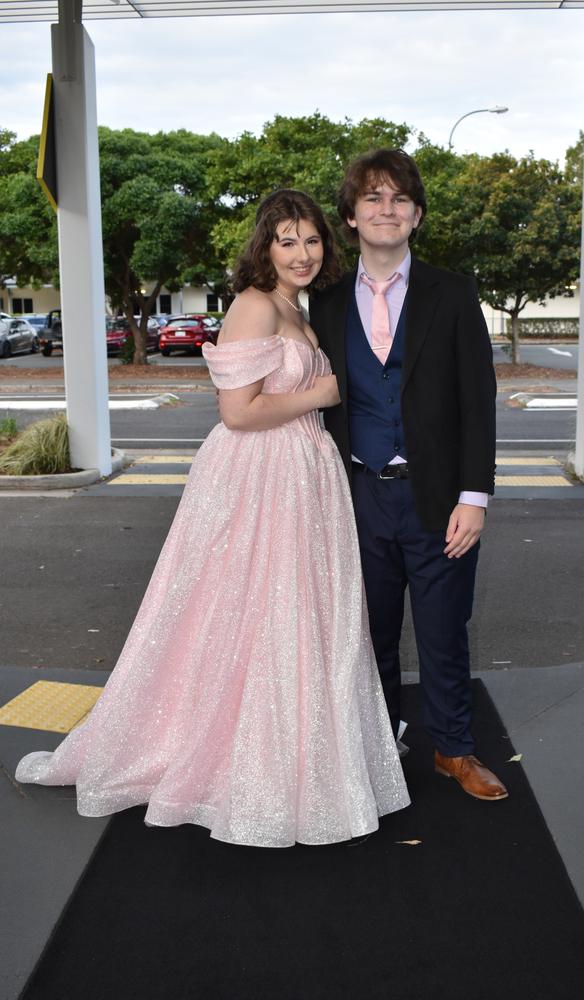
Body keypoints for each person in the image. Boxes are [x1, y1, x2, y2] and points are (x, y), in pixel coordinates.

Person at [15, 189, 410, 847]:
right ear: (265, 246)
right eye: (287, 240)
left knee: (296, 614)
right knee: (253, 611)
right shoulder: (257, 306)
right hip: (262, 474)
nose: (302, 253)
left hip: (301, 475)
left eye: (311, 240)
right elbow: (238, 412)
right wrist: (324, 389)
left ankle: (305, 757)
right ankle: (249, 764)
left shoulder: (295, 307)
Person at [309, 150, 508, 801]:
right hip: (358, 493)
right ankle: (381, 738)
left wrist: (474, 497)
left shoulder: (453, 293)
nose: (385, 209)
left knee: (445, 629)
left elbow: (477, 401)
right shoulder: (327, 301)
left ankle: (454, 749)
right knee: (370, 633)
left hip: (439, 498)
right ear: (351, 215)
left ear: (416, 215)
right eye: (373, 198)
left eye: (398, 199)